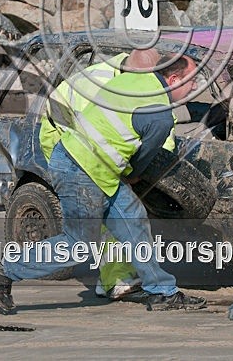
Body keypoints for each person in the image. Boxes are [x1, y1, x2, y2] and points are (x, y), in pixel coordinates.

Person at [0, 55, 206, 312]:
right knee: (78, 244)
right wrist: (133, 175)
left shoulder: (133, 78)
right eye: (193, 81)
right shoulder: (160, 116)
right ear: (174, 79)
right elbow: (142, 164)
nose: (195, 87)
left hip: (90, 166)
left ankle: (162, 292)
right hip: (80, 169)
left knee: (133, 221)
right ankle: (6, 268)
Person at [38, 48, 169, 300]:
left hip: (88, 145)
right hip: (64, 141)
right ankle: (113, 280)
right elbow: (92, 136)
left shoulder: (139, 81)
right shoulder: (99, 83)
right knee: (106, 209)